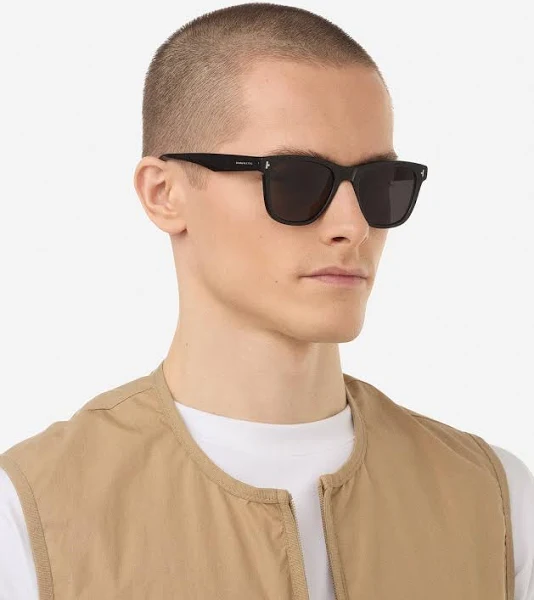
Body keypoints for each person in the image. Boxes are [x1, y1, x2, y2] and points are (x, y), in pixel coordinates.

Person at [1, 3, 532, 599]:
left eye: (380, 185)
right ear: (164, 193)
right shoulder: (29, 517)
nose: (353, 226)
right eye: (296, 180)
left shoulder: (496, 502)